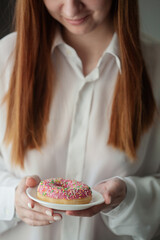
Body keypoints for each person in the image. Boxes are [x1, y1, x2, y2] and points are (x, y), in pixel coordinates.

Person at [0, 0, 160, 239]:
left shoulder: (155, 67)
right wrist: (12, 199)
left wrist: (129, 197)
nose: (72, 8)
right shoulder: (6, 57)